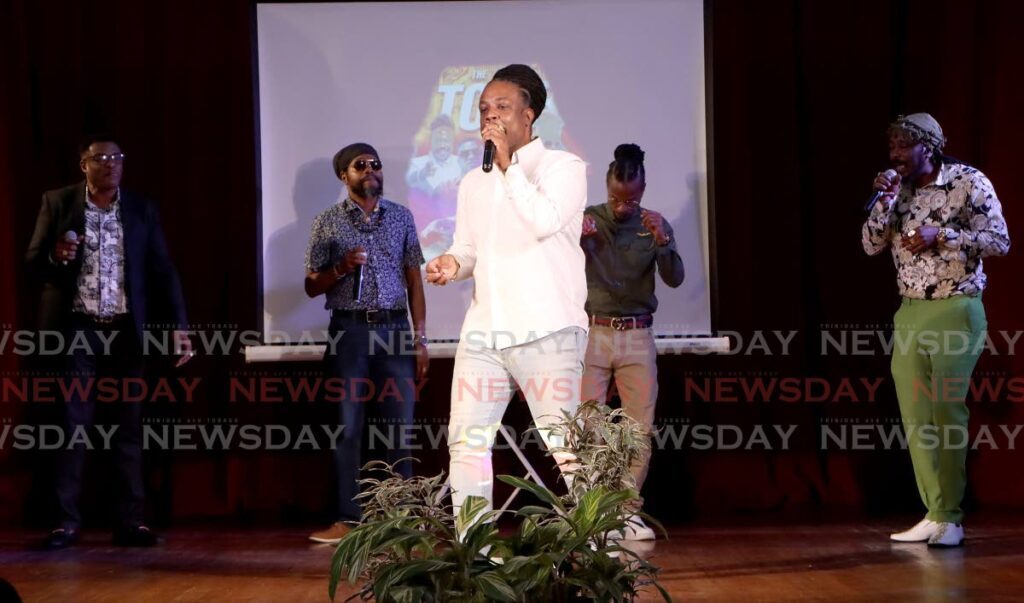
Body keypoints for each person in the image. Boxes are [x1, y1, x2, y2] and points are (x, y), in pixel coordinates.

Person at [425, 64, 588, 518]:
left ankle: (603, 547)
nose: (489, 117)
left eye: (501, 107)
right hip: (484, 332)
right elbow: (470, 248)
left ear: (529, 115)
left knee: (566, 447)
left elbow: (542, 221)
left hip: (547, 329)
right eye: (483, 109)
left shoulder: (563, 167)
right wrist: (452, 264)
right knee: (467, 443)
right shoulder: (473, 182)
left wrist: (507, 167)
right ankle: (475, 550)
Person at [25, 134, 193, 549]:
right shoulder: (58, 202)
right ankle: (65, 522)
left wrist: (180, 326)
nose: (111, 164)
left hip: (124, 331)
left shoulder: (140, 209)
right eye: (101, 158)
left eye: (117, 158)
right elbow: (32, 261)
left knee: (128, 427)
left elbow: (162, 270)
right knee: (71, 426)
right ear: (83, 165)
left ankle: (130, 522)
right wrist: (56, 257)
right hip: (77, 329)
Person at [862, 113, 1010, 548]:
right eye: (892, 147)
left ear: (929, 146)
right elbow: (870, 245)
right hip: (909, 312)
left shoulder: (967, 181)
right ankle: (934, 511)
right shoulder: (897, 191)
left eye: (905, 146)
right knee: (915, 417)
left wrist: (942, 233)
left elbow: (1000, 240)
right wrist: (885, 201)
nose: (896, 155)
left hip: (955, 308)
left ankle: (950, 515)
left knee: (945, 412)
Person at [305, 143, 429, 544]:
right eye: (361, 166)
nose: (371, 170)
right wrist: (339, 268)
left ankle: (404, 521)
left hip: (394, 332)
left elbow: (414, 280)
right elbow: (311, 285)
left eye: (376, 164)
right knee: (347, 429)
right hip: (350, 333)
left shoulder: (402, 217)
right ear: (345, 176)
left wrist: (420, 338)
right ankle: (348, 520)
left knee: (399, 428)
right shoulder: (327, 222)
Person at [579, 143, 684, 540]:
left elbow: (675, 278)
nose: (623, 206)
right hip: (595, 333)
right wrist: (576, 240)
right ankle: (592, 512)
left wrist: (663, 241)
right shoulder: (588, 220)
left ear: (643, 189)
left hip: (637, 335)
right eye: (615, 198)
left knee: (638, 429)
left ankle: (626, 513)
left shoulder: (654, 224)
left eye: (631, 199)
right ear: (607, 188)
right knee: (588, 425)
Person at [405, 114, 463, 197]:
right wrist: (422, 174)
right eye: (438, 140)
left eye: (446, 141)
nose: (442, 146)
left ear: (452, 142)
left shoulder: (462, 163)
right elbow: (406, 181)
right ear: (430, 141)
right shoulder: (416, 164)